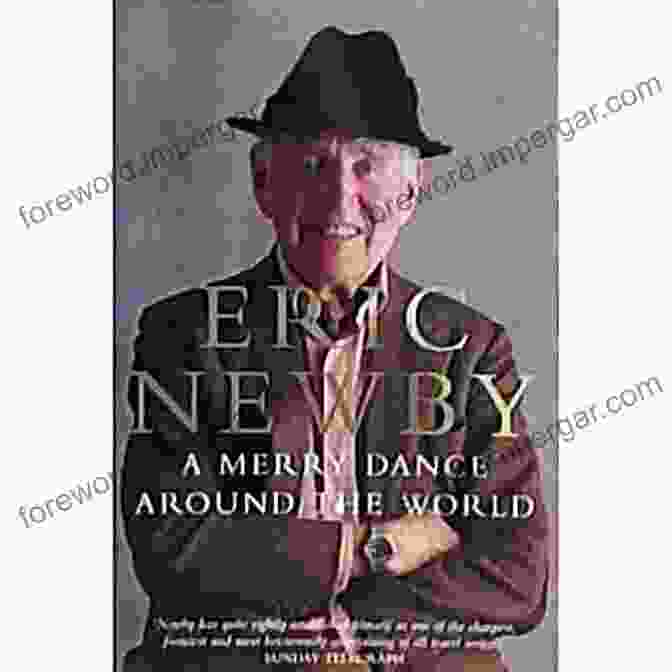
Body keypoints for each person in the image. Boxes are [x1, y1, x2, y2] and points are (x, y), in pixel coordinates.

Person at [121, 26, 549, 672]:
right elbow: (174, 548)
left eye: (368, 166)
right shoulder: (184, 336)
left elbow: (520, 577)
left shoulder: (473, 349)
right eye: (312, 163)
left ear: (410, 193)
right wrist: (375, 547)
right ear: (265, 184)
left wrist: (347, 628)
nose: (338, 197)